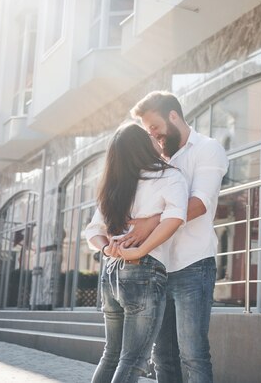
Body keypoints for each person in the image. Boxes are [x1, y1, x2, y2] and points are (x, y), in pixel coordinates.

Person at [120, 91, 228, 383]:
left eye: (154, 126)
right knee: (162, 356)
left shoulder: (208, 148)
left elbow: (201, 203)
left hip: (194, 264)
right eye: (147, 129)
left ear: (173, 115)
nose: (151, 134)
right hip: (157, 269)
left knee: (193, 353)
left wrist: (150, 224)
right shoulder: (155, 158)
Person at [85, 123, 188, 383]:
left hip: (110, 272)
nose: (154, 137)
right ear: (142, 146)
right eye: (148, 136)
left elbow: (92, 232)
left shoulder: (114, 185)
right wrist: (141, 249)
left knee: (111, 354)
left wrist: (107, 248)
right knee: (133, 360)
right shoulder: (168, 175)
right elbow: (175, 217)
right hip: (144, 268)